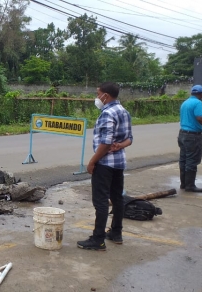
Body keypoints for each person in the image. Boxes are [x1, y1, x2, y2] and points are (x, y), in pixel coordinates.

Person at [77, 82, 133, 251]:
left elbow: (106, 142)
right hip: (119, 163)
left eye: (98, 93)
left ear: (105, 96)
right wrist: (120, 145)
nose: (97, 97)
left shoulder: (107, 114)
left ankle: (98, 239)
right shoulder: (124, 111)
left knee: (100, 201)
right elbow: (129, 138)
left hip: (105, 164)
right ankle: (116, 232)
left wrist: (93, 161)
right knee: (117, 198)